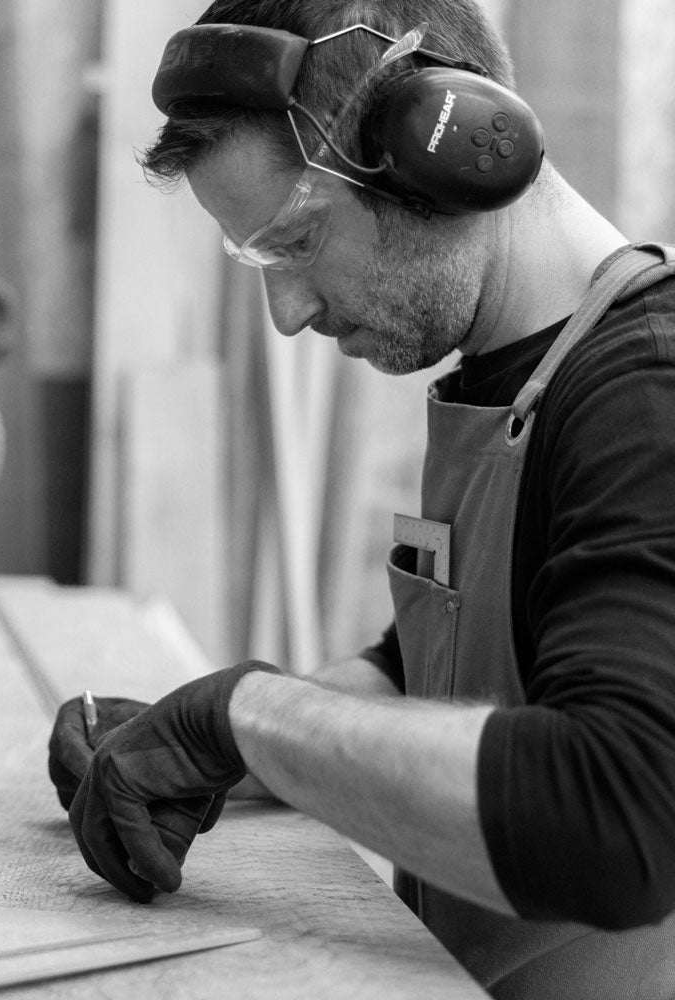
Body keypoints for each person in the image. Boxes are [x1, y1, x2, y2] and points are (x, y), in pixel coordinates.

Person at [48, 1, 675, 996]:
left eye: (293, 241)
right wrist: (198, 752)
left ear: (453, 151)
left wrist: (247, 716)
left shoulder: (645, 392)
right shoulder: (507, 381)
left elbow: (620, 818)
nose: (288, 312)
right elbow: (436, 678)